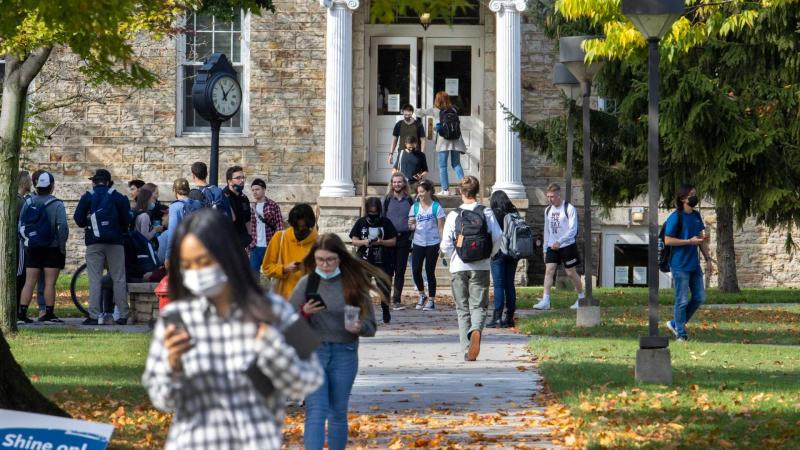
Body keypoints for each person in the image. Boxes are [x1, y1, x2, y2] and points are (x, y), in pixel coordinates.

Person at [142, 209, 324, 450]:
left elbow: (311, 379)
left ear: (226, 256)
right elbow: (161, 397)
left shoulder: (276, 311)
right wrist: (173, 365)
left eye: (203, 261)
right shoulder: (175, 318)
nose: (196, 272)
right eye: (187, 265)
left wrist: (273, 349)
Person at [289, 233, 385, 450]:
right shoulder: (308, 282)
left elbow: (371, 326)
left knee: (338, 411)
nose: (325, 264)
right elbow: (285, 320)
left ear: (340, 258)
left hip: (345, 352)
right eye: (320, 260)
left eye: (330, 259)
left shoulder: (353, 283)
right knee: (316, 409)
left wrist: (359, 327)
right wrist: (303, 312)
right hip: (314, 353)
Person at [441, 176, 502, 361]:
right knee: (479, 305)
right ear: (477, 191)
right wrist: (489, 254)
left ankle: (467, 349)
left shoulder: (453, 215)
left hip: (458, 265)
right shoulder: (487, 212)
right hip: (481, 266)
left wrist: (452, 255)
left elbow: (445, 245)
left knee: (462, 308)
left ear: (461, 191)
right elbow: (498, 237)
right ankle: (476, 329)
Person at [74, 169, 132, 326]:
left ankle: (94, 315)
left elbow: (78, 219)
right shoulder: (118, 197)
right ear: (109, 182)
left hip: (94, 242)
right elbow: (127, 219)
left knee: (95, 279)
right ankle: (123, 315)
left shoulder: (88, 197)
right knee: (119, 278)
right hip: (116, 242)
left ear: (94, 182)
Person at [17, 171, 69, 324]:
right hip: (52, 248)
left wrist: (26, 242)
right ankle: (48, 313)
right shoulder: (57, 204)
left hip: (33, 248)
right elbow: (63, 227)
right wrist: (61, 245)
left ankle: (22, 313)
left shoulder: (28, 202)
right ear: (52, 186)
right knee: (49, 283)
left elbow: (21, 225)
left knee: (29, 282)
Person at [664, 184, 711, 342]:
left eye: (695, 194)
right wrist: (688, 241)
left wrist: (708, 259)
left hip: (694, 265)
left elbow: (700, 239)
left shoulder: (696, 216)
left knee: (699, 298)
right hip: (679, 265)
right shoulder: (676, 217)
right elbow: (667, 240)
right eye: (691, 194)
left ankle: (674, 323)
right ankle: (681, 334)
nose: (694, 197)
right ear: (683, 198)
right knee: (682, 300)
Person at [533, 183, 584, 311]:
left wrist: (560, 241)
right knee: (549, 271)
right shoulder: (548, 210)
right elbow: (547, 230)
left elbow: (573, 230)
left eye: (553, 196)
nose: (550, 199)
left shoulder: (569, 208)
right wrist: (545, 248)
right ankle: (546, 300)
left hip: (567, 245)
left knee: (570, 272)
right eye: (548, 197)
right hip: (552, 246)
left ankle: (581, 298)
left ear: (559, 194)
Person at [349, 197, 397, 324]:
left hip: (383, 260)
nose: (373, 215)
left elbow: (393, 241)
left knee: (384, 288)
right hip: (365, 259)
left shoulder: (386, 222)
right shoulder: (361, 222)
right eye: (371, 212)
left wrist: (381, 242)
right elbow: (354, 240)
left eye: (375, 213)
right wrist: (364, 242)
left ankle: (385, 309)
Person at [262, 204, 318, 300]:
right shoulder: (280, 238)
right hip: (283, 298)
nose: (300, 230)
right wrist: (284, 269)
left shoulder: (319, 242)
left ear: (310, 225)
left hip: (307, 299)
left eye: (304, 227)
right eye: (297, 227)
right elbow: (266, 268)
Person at [417, 91, 466, 196]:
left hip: (443, 141)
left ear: (437, 99)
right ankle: (465, 188)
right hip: (456, 141)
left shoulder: (435, 110)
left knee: (443, 166)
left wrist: (410, 109)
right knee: (456, 164)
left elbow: (420, 112)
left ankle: (445, 190)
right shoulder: (454, 109)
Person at [408, 179, 445, 311]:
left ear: (429, 192)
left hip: (433, 243)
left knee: (430, 271)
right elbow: (411, 226)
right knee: (416, 270)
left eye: (422, 192)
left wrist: (442, 245)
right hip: (418, 242)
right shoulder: (415, 207)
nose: (420, 195)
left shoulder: (436, 207)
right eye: (418, 193)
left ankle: (431, 300)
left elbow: (441, 228)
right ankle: (421, 294)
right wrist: (412, 225)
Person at [487, 190, 520, 328]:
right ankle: (510, 317)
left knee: (499, 285)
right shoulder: (514, 212)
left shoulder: (494, 213)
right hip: (512, 253)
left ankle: (497, 317)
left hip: (498, 253)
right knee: (509, 284)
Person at [382, 173, 413, 310]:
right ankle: (386, 299)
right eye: (394, 182)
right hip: (389, 239)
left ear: (404, 184)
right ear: (391, 184)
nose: (397, 184)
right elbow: (381, 218)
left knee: (400, 270)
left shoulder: (410, 201)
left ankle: (397, 300)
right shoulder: (386, 200)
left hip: (404, 239)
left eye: (399, 182)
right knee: (388, 271)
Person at [249, 178, 284, 275]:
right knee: (253, 276)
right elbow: (251, 226)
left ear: (264, 190)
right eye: (253, 190)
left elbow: (279, 226)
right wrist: (249, 243)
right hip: (255, 246)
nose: (255, 192)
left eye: (257, 189)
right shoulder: (253, 207)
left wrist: (279, 245)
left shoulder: (273, 205)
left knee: (273, 275)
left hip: (270, 245)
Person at [165, 178, 203, 260]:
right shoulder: (198, 204)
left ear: (175, 190)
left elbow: (172, 232)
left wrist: (168, 257)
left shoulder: (175, 207)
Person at [223, 165, 253, 251]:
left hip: (243, 242)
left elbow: (247, 219)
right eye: (238, 178)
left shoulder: (244, 198)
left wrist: (249, 238)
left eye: (243, 177)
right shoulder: (223, 197)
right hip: (228, 245)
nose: (242, 180)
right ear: (229, 181)